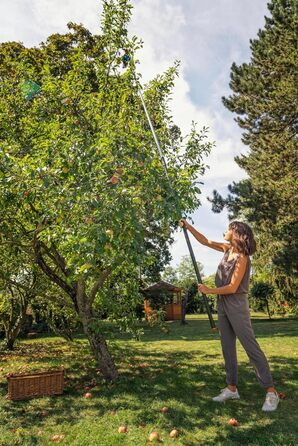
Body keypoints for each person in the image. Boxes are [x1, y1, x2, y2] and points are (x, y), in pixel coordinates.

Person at [179, 218, 279, 412]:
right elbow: (205, 241)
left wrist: (208, 290)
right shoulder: (227, 250)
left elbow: (233, 287)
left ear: (236, 233)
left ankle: (271, 391)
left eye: (228, 229)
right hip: (223, 305)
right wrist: (188, 226)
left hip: (237, 305)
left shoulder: (242, 257)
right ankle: (232, 388)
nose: (225, 231)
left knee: (250, 346)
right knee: (227, 347)